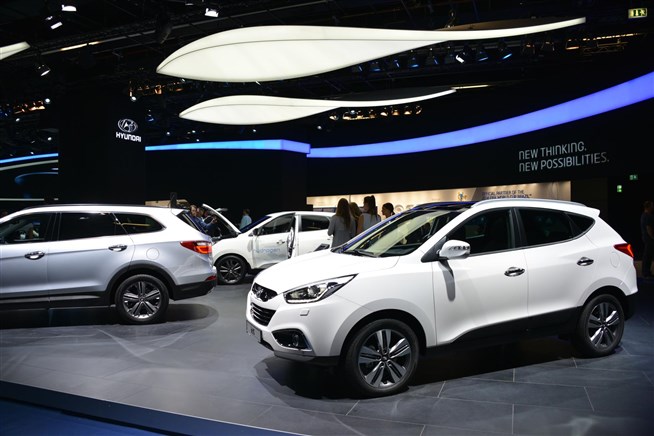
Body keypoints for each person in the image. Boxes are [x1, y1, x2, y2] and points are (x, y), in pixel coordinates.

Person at [641, 200, 654, 278]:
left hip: (647, 238)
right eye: (652, 206)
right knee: (648, 256)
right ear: (648, 207)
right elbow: (648, 228)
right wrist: (652, 237)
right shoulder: (647, 216)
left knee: (647, 256)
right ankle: (646, 272)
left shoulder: (644, 215)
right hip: (649, 239)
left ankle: (646, 272)